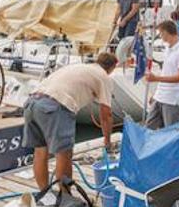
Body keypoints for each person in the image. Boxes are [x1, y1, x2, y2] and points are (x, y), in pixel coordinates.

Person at [23, 52, 117, 206]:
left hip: (32, 102)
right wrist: (107, 141)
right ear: (112, 68)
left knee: (40, 151)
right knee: (64, 154)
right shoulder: (103, 76)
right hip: (56, 105)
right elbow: (106, 114)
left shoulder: (80, 67)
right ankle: (66, 200)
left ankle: (46, 197)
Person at [145, 20, 179, 129]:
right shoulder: (168, 48)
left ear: (166, 32)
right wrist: (156, 93)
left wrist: (156, 78)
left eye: (161, 33)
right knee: (149, 126)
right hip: (161, 96)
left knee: (170, 131)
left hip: (173, 99)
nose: (160, 36)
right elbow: (166, 71)